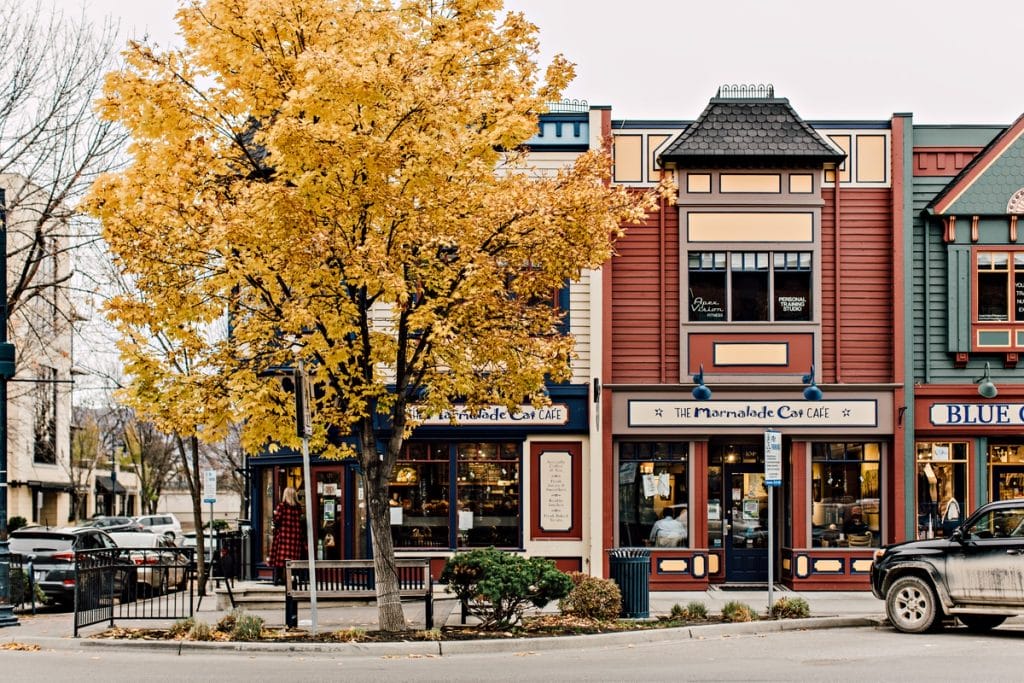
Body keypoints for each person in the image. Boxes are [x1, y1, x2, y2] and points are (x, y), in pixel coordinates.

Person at [268, 487, 303, 585]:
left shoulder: (281, 506)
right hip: (295, 537)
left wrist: (275, 516)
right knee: (293, 558)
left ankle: (278, 579)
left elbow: (277, 521)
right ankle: (293, 579)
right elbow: (301, 521)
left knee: (280, 559)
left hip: (283, 535)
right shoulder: (298, 507)